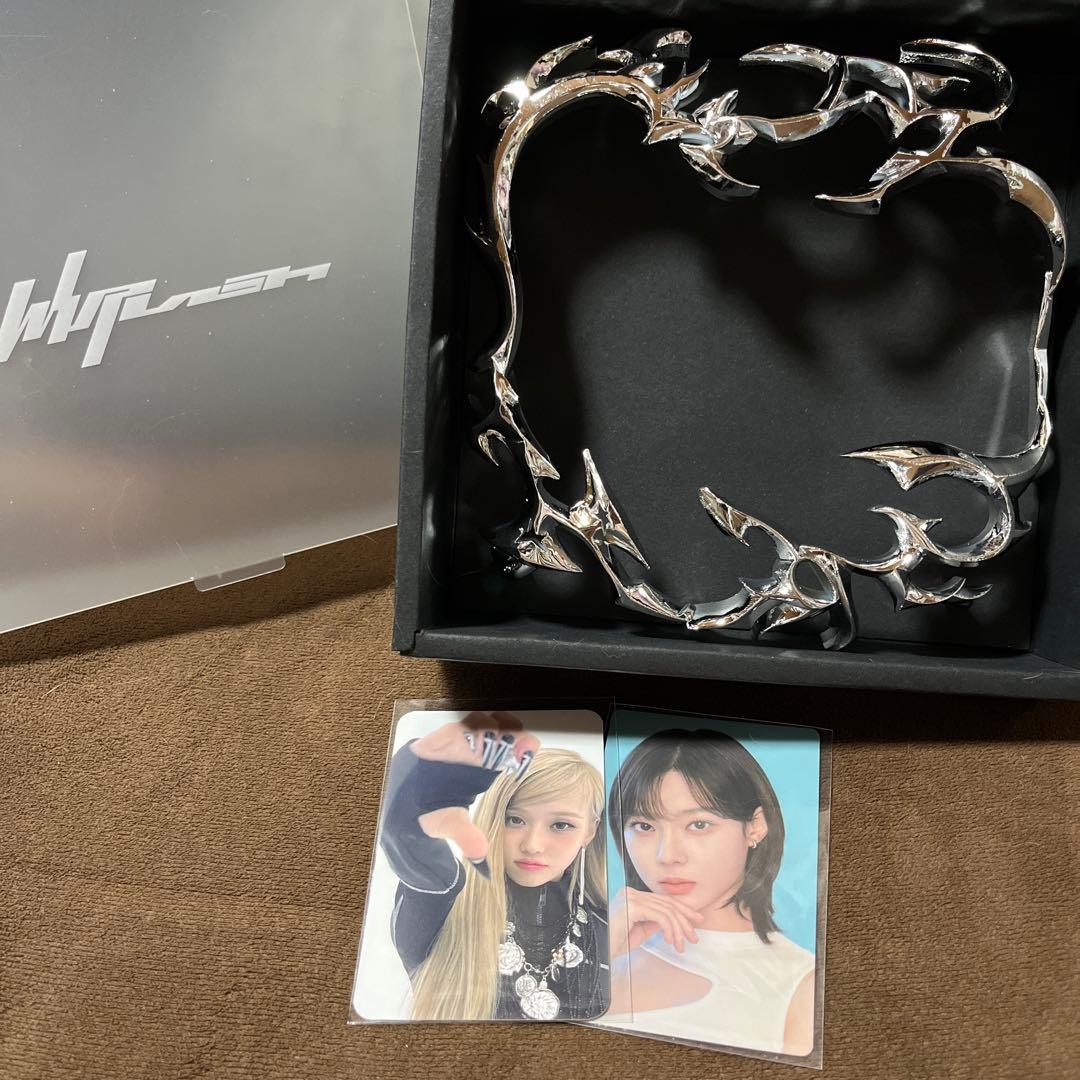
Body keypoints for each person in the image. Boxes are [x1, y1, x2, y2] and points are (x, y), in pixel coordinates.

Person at [378, 712, 609, 1021]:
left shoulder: (614, 921)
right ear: (493, 815)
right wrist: (419, 773)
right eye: (515, 819)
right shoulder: (444, 903)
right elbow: (405, 834)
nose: (533, 845)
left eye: (561, 825)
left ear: (590, 831)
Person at [604, 728, 815, 1056]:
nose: (668, 855)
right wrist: (595, 954)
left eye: (698, 825)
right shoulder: (598, 945)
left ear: (755, 826)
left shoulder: (798, 983)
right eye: (644, 826)